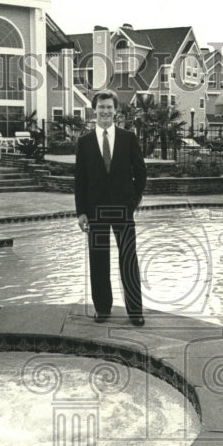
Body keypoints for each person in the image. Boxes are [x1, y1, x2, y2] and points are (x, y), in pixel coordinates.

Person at [74, 90, 147, 325]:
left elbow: (141, 173)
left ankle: (135, 311)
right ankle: (102, 308)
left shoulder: (128, 138)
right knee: (98, 259)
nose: (105, 111)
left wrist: (133, 202)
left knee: (128, 260)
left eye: (109, 107)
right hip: (95, 211)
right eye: (101, 107)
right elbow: (80, 179)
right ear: (94, 110)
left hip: (122, 210)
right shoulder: (84, 142)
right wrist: (81, 212)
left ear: (115, 110)